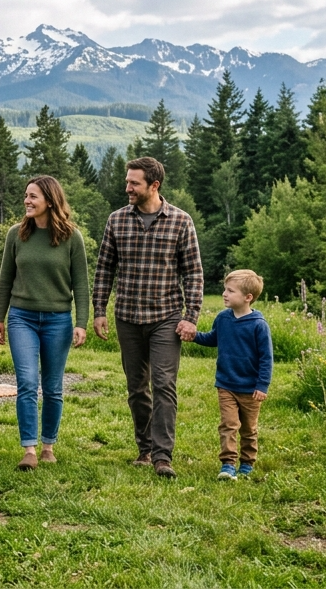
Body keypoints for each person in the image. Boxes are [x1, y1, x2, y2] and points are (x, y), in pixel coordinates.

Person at [92, 157, 203, 479]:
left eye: (134, 183)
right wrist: (99, 310)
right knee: (136, 387)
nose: (127, 188)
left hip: (166, 317)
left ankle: (162, 456)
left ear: (154, 186)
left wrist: (191, 316)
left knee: (164, 384)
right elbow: (104, 269)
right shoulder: (116, 221)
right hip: (127, 316)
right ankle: (144, 448)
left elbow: (193, 273)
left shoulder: (181, 222)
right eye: (128, 181)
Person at [0, 175, 90, 470]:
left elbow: (81, 284)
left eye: (33, 196)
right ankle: (30, 450)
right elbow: (5, 279)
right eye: (26, 195)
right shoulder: (15, 235)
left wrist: (81, 322)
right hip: (21, 317)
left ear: (50, 200)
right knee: (26, 382)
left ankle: (48, 444)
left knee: (52, 386)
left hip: (58, 320)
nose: (27, 201)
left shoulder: (72, 237)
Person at [184, 269, 273, 480]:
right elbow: (213, 338)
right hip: (225, 384)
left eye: (230, 291)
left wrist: (262, 386)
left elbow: (266, 359)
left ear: (247, 297)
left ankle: (248, 463)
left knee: (249, 429)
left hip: (251, 389)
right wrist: (194, 336)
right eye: (225, 289)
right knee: (228, 425)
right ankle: (228, 464)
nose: (224, 293)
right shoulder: (223, 318)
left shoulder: (259, 325)